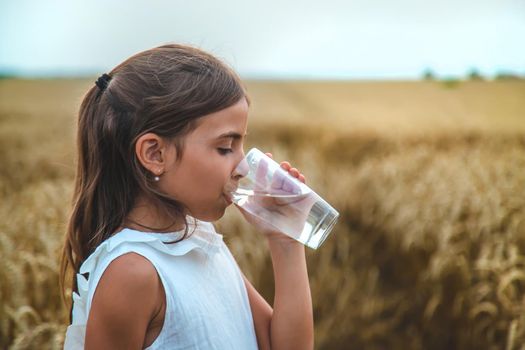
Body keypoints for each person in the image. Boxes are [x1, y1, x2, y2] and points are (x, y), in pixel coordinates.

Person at [60, 43, 314, 350]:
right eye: (224, 147)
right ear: (155, 154)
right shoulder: (132, 272)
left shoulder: (199, 241)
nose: (243, 166)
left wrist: (285, 241)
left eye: (241, 146)